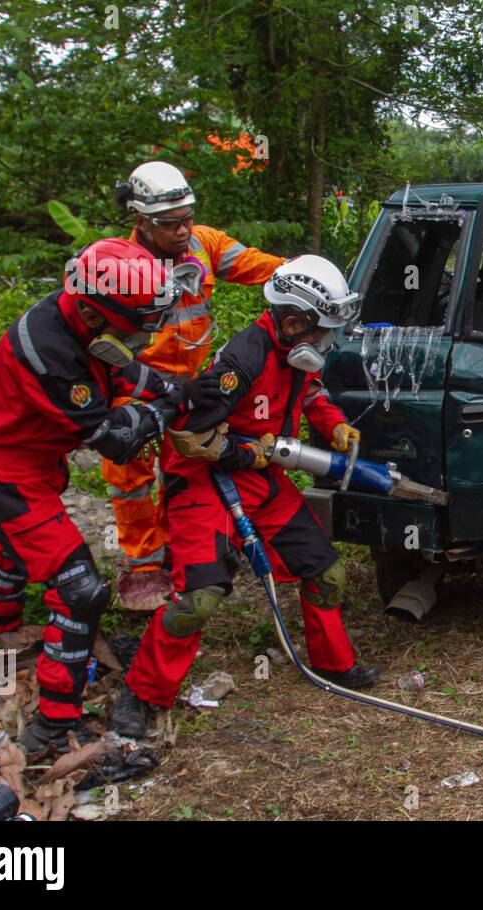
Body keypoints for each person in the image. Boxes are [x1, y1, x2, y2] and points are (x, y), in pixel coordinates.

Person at [0, 238, 221, 754]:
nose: (144, 334)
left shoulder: (82, 325)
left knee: (12, 554)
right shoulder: (51, 353)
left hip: (29, 462)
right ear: (91, 311)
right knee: (81, 590)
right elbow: (118, 440)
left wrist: (178, 387)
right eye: (136, 324)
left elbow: (124, 366)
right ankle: (53, 726)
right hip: (5, 475)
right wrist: (164, 411)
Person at [109, 254, 380, 737]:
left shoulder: (296, 353)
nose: (326, 342)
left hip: (263, 480)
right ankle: (142, 691)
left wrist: (334, 425)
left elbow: (309, 391)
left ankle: (333, 664)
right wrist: (247, 454)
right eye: (322, 331)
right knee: (199, 597)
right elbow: (189, 436)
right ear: (294, 320)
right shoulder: (241, 360)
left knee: (327, 573)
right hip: (200, 481)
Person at [105, 161, 286, 612]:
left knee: (190, 465)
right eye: (171, 224)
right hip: (139, 381)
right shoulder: (122, 267)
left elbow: (250, 263)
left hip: (193, 382)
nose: (183, 229)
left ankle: (187, 551)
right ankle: (144, 566)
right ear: (141, 221)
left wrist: (298, 274)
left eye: (187, 217)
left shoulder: (203, 243)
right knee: (130, 474)